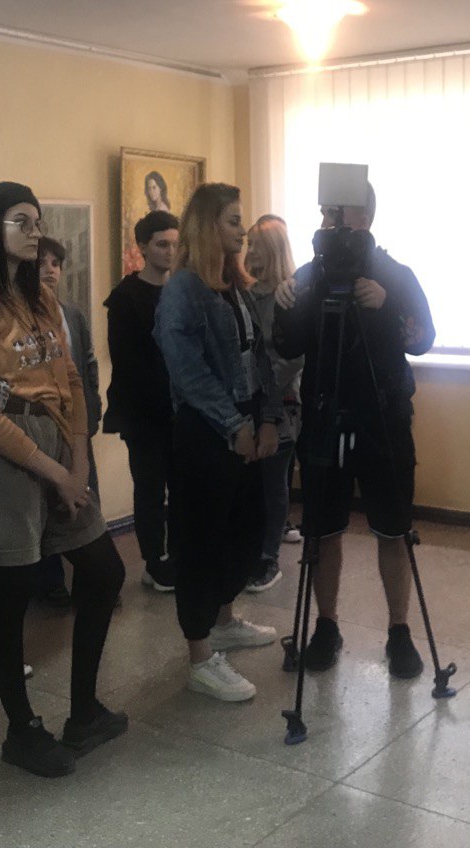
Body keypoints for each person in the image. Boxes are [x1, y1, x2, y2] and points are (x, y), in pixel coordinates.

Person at [0, 181, 126, 777]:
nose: (35, 232)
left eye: (38, 221)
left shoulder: (40, 297)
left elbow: (70, 380)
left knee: (105, 570)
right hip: (7, 460)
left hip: (60, 445)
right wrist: (54, 473)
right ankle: (21, 731)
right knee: (11, 596)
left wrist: (78, 464)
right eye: (22, 221)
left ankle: (84, 711)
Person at [273, 182, 435, 679]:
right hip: (325, 417)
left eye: (336, 213)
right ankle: (326, 626)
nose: (328, 222)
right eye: (323, 212)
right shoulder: (310, 276)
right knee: (322, 529)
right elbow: (288, 345)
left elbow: (423, 338)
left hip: (384, 419)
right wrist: (285, 303)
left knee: (393, 527)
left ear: (363, 217)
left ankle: (399, 631)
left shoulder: (395, 274)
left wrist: (387, 306)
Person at [154, 182, 279, 702]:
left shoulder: (234, 285)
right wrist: (233, 424)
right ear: (208, 226)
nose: (242, 230)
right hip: (206, 431)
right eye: (232, 221)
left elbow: (259, 356)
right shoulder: (183, 289)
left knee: (247, 529)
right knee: (201, 541)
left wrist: (268, 417)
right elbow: (187, 371)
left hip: (245, 422)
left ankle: (225, 620)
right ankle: (201, 655)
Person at [104, 210, 181, 592]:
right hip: (144, 414)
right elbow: (129, 362)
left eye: (174, 244)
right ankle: (154, 560)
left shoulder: (180, 290)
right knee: (149, 489)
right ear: (143, 247)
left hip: (179, 411)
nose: (170, 252)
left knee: (181, 487)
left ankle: (178, 554)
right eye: (162, 244)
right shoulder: (126, 298)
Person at [34, 236, 103, 606]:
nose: (50, 270)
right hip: (43, 425)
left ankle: (92, 578)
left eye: (56, 264)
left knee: (86, 492)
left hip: (77, 423)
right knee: (47, 500)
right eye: (42, 263)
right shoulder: (25, 317)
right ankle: (50, 581)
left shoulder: (72, 314)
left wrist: (93, 406)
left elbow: (87, 364)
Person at [244, 215, 304, 593]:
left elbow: (293, 358)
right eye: (248, 245)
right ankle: (252, 549)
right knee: (254, 483)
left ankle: (269, 557)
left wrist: (266, 389)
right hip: (249, 401)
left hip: (282, 402)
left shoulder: (290, 297)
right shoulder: (245, 295)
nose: (250, 253)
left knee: (274, 481)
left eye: (257, 246)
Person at [122, 171, 171, 273]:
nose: (151, 191)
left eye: (154, 187)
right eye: (149, 188)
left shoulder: (162, 212)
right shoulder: (152, 210)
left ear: (160, 188)